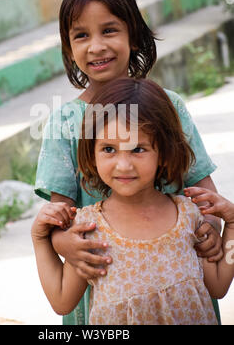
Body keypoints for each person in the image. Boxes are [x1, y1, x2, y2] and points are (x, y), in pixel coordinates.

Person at [33, 0, 222, 324]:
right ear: (68, 48)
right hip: (103, 290)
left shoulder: (170, 107)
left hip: (178, 289)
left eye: (109, 30)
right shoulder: (65, 123)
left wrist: (209, 226)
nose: (96, 46)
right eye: (81, 35)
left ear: (134, 35)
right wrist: (63, 245)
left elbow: (204, 193)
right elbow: (58, 217)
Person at [31, 79, 234, 325]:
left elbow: (220, 284)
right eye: (108, 149)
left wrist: (232, 224)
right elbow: (62, 300)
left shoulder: (188, 215)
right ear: (92, 154)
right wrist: (40, 239)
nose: (124, 165)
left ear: (164, 154)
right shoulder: (88, 228)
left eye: (138, 149)